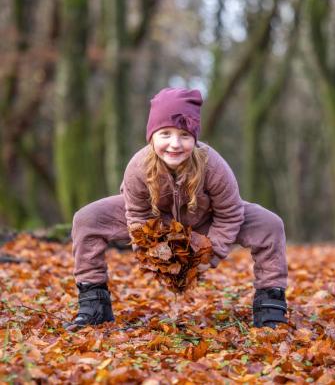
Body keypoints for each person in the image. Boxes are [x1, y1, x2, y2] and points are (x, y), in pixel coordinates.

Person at [65, 87, 288, 330]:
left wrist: (207, 257)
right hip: (156, 220)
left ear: (194, 138)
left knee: (269, 224)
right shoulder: (138, 167)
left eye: (184, 135)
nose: (174, 144)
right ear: (152, 137)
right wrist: (150, 254)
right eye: (165, 134)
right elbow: (137, 214)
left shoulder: (212, 165)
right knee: (87, 218)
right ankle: (93, 303)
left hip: (206, 218)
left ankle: (270, 304)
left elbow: (230, 214)